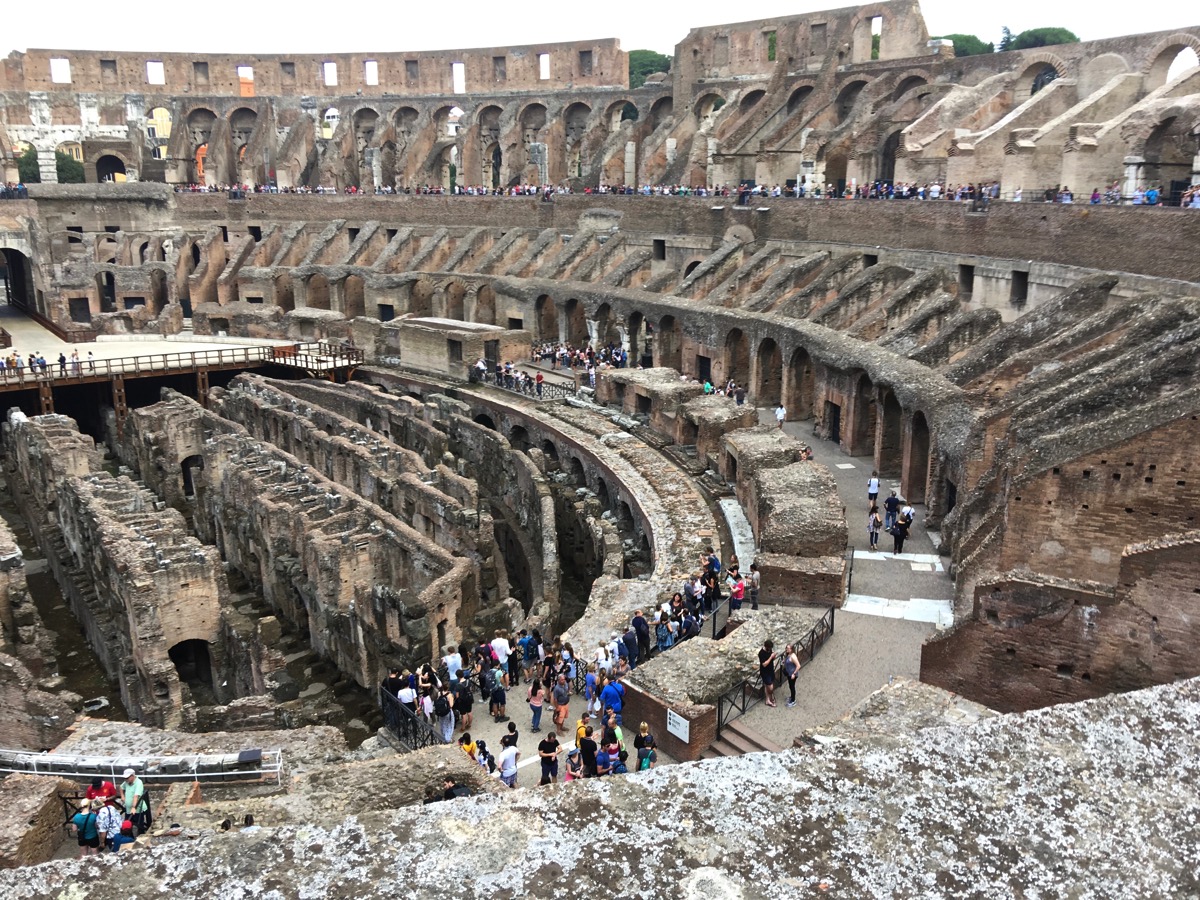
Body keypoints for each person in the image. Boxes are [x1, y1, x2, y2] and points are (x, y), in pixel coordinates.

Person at [120, 768, 148, 834]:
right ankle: (129, 837)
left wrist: (133, 807)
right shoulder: (127, 782)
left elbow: (136, 796)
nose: (125, 780)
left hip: (137, 809)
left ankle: (141, 835)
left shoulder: (138, 783)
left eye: (127, 778)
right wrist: (122, 796)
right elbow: (121, 787)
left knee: (139, 824)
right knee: (128, 825)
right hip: (128, 809)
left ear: (132, 776)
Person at [759, 640, 778, 708]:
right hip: (765, 672)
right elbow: (764, 664)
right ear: (766, 646)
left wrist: (774, 656)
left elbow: (771, 659)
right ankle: (771, 696)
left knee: (767, 685)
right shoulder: (761, 653)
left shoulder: (769, 650)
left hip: (771, 670)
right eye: (769, 648)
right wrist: (771, 657)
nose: (770, 649)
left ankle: (767, 700)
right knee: (770, 686)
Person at [783, 644, 801, 708]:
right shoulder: (788, 655)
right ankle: (791, 697)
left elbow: (798, 665)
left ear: (791, 649)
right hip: (789, 673)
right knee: (790, 686)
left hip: (792, 674)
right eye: (786, 648)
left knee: (792, 686)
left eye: (788, 648)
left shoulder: (793, 656)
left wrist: (794, 673)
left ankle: (793, 701)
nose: (787, 649)